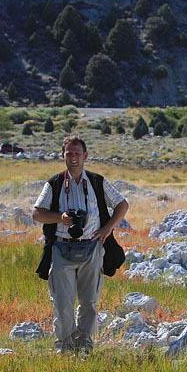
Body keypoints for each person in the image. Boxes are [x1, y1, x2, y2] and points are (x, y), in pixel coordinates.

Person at [32, 135, 129, 354]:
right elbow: (37, 213)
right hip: (61, 248)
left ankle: (84, 343)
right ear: (63, 155)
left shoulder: (97, 181)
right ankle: (65, 346)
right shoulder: (55, 183)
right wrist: (60, 218)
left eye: (77, 153)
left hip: (92, 247)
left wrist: (108, 229)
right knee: (62, 304)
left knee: (89, 301)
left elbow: (122, 204)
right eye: (69, 153)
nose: (73, 157)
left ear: (85, 155)